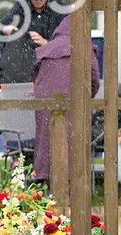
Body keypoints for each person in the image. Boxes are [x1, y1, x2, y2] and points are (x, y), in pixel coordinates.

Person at [31, 14, 100, 184]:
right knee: (74, 140)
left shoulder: (45, 51)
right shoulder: (84, 48)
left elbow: (36, 78)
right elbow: (94, 80)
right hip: (75, 100)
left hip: (46, 101)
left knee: (45, 139)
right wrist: (85, 96)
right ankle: (73, 183)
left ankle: (45, 179)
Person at [0, 0, 67, 89]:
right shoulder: (21, 5)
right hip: (23, 58)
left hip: (50, 58)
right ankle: (9, 84)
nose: (37, 1)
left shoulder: (59, 8)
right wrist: (7, 29)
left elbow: (68, 38)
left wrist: (46, 43)